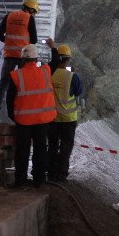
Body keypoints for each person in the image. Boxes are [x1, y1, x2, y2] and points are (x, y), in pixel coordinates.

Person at [7, 44, 56, 188]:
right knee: (41, 149)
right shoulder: (46, 71)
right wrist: (52, 47)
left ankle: (21, 181)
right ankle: (39, 179)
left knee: (22, 151)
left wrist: (14, 117)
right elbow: (56, 60)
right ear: (36, 59)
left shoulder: (16, 75)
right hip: (43, 120)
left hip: (23, 121)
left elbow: (9, 100)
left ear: (23, 60)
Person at [0, 0, 40, 123]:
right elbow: (34, 40)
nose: (33, 14)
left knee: (3, 85)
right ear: (30, 9)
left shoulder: (9, 16)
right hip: (24, 58)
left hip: (9, 56)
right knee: (23, 85)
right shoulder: (29, 19)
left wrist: (8, 41)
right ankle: (21, 114)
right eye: (34, 12)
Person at [47, 44, 82, 182]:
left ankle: (50, 173)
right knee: (66, 147)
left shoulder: (49, 74)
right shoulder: (73, 76)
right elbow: (78, 92)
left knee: (52, 146)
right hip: (68, 119)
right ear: (68, 59)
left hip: (52, 118)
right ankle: (61, 174)